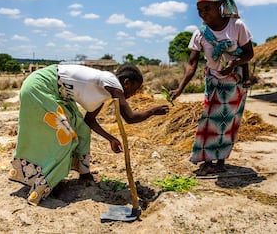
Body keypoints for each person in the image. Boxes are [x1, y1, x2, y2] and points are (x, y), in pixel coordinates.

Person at [9, 63, 169, 205]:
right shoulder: (113, 84)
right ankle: (46, 182)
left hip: (58, 93)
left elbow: (89, 121)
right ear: (127, 83)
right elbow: (130, 118)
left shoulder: (103, 91)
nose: (135, 94)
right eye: (135, 89)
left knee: (82, 129)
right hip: (40, 86)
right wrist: (153, 111)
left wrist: (110, 139)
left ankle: (84, 174)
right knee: (65, 135)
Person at [170, 0, 254, 176]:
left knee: (226, 122)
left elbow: (249, 53)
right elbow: (191, 65)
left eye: (207, 8)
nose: (202, 14)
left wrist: (233, 64)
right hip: (213, 81)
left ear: (219, 6)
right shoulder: (200, 34)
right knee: (208, 121)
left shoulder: (237, 26)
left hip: (234, 82)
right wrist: (180, 88)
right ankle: (207, 161)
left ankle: (220, 161)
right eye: (199, 10)